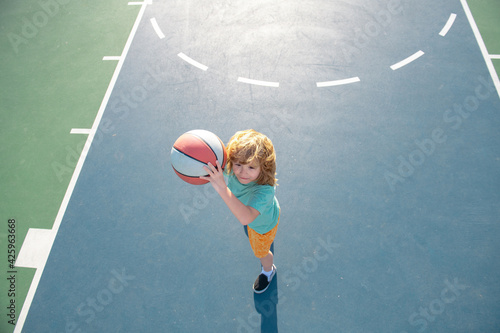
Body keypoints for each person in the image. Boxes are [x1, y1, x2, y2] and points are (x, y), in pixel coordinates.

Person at [201, 129, 280, 293]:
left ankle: (268, 270)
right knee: (248, 222)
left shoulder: (264, 191)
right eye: (238, 165)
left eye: (251, 167)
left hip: (262, 227)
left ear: (264, 167)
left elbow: (246, 218)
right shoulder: (232, 169)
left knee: (262, 252)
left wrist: (222, 188)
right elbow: (214, 163)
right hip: (257, 212)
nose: (242, 172)